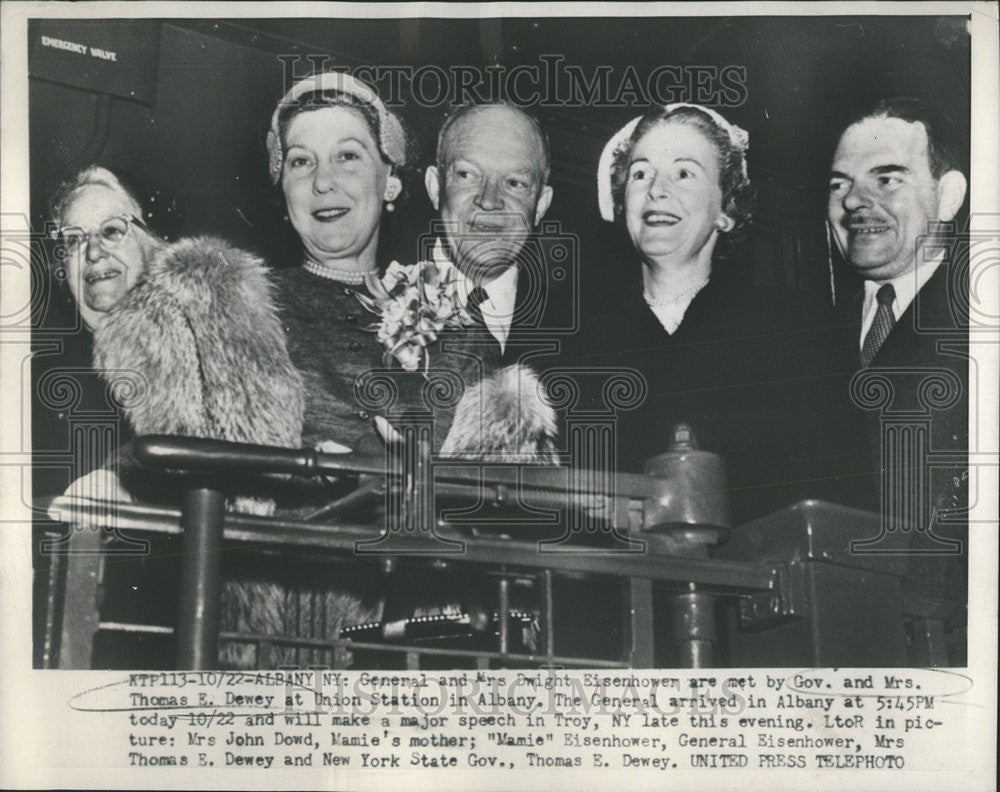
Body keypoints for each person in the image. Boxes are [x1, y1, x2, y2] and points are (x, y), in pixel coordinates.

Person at [582, 103, 871, 527]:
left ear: (726, 209)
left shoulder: (796, 327)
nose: (656, 189)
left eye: (684, 173)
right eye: (640, 173)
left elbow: (837, 505)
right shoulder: (581, 342)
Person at [828, 98, 968, 650]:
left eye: (887, 178)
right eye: (839, 185)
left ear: (948, 195)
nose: (856, 201)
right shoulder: (799, 337)